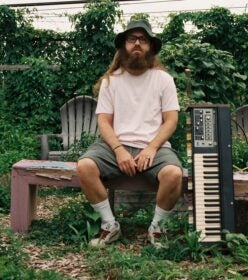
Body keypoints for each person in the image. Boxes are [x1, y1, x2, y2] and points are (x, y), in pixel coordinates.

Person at [77, 19, 183, 248]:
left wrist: (152, 147)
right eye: (132, 39)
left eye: (143, 39)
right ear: (123, 45)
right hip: (115, 145)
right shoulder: (110, 82)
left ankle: (157, 228)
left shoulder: (163, 80)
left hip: (154, 147)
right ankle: (109, 225)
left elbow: (171, 120)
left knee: (174, 174)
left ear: (151, 47)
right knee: (84, 166)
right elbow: (104, 122)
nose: (137, 43)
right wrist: (118, 150)